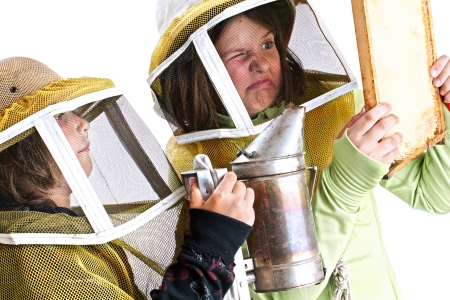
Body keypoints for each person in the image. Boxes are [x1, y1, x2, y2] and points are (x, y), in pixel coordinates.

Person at [148, 0, 450, 299]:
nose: (260, 63)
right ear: (198, 70)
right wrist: (345, 181)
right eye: (238, 54)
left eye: (267, 44)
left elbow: (436, 194)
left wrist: (445, 108)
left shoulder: (337, 109)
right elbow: (288, 294)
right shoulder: (198, 168)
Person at [0, 56, 255, 300]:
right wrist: (212, 247)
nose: (83, 123)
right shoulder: (36, 250)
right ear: (16, 147)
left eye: (72, 111)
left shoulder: (47, 231)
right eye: (58, 116)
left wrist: (195, 241)